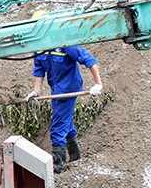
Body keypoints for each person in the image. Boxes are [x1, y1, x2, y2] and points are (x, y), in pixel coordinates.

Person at [30, 16, 103, 175]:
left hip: (69, 90)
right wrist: (37, 91)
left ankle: (58, 169)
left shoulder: (64, 44)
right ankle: (76, 156)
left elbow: (89, 60)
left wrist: (98, 84)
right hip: (57, 90)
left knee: (57, 128)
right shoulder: (39, 47)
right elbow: (39, 69)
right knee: (65, 124)